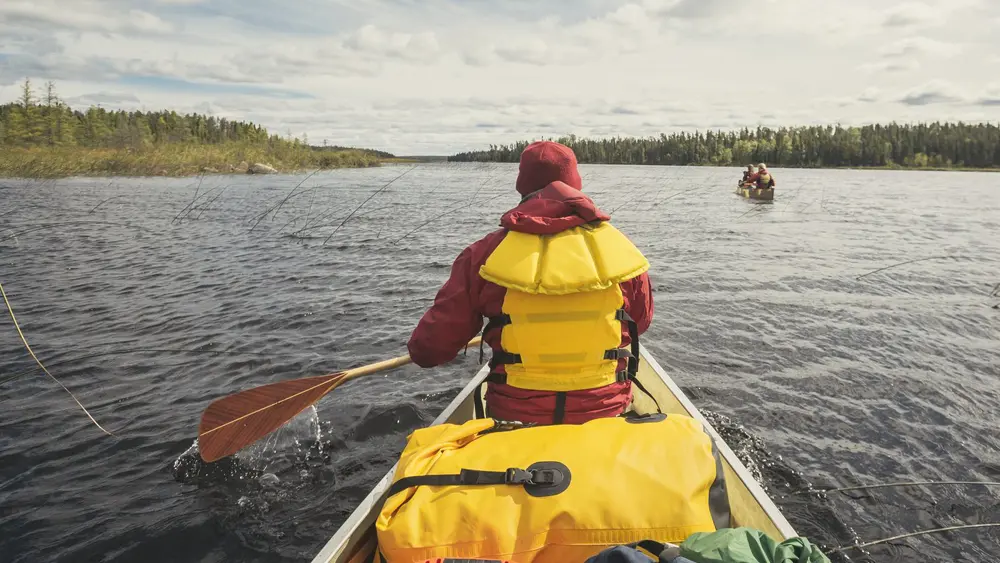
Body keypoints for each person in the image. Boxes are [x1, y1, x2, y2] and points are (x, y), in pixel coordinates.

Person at [407, 141, 654, 425]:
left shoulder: (482, 255)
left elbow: (428, 350)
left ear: (522, 186)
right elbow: (641, 322)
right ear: (576, 184)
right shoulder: (619, 249)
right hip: (605, 412)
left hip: (516, 417)